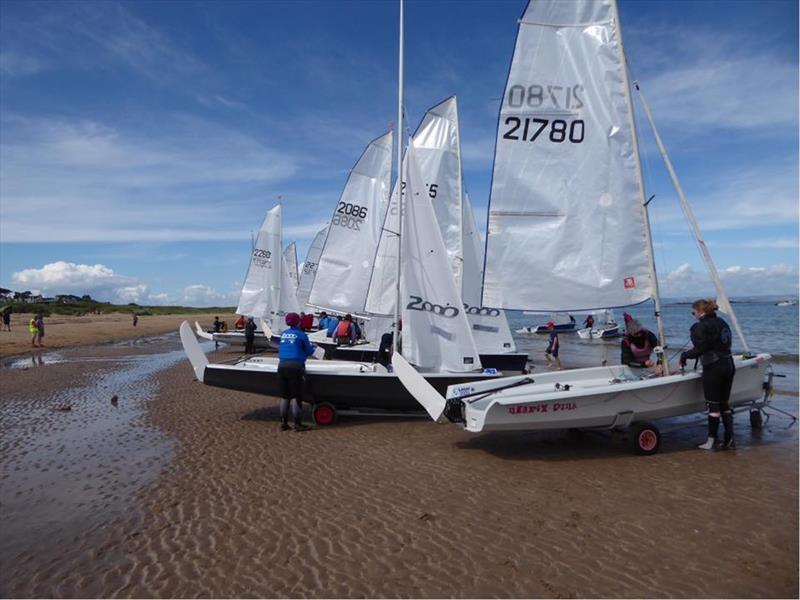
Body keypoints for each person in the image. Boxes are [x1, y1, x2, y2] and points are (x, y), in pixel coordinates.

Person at [680, 299, 736, 450]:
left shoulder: (700, 326)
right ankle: (729, 439)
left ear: (701, 312)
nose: (694, 315)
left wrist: (684, 355)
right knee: (724, 403)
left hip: (714, 367)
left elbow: (700, 349)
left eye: (694, 312)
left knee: (713, 405)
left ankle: (711, 441)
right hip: (729, 364)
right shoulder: (722, 322)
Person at [277, 312, 315, 431]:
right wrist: (314, 347)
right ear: (298, 322)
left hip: (282, 366)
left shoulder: (283, 334)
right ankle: (297, 424)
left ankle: (283, 423)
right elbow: (309, 351)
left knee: (285, 396)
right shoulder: (301, 334)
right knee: (296, 396)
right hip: (295, 367)